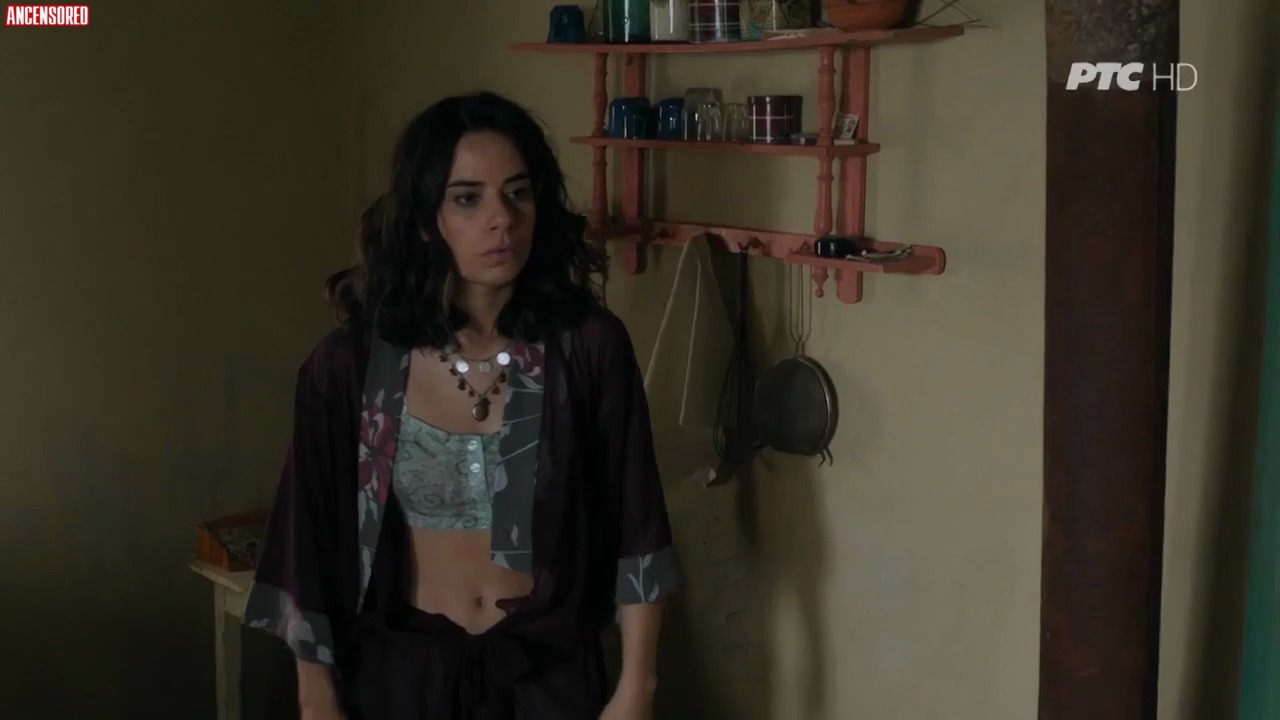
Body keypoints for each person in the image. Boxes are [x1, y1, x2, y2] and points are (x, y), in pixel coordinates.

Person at [244, 91, 683, 719]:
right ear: (427, 218)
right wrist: (316, 695)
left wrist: (638, 686)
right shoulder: (351, 366)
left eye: (518, 193)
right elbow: (308, 535)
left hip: (548, 679)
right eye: (468, 198)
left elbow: (636, 522)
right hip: (400, 679)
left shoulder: (586, 347)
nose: (502, 219)